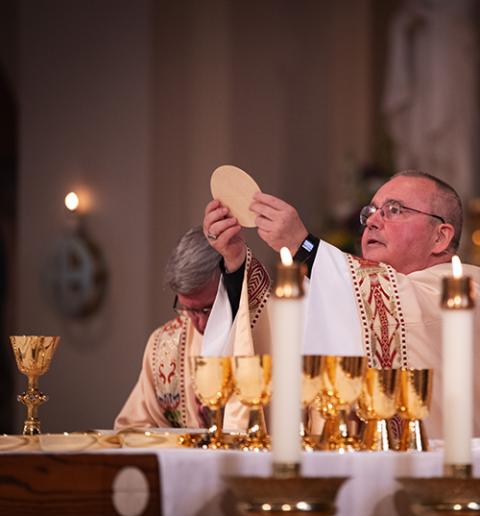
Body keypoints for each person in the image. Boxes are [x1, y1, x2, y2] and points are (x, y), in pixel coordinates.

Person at [202, 170, 480, 438]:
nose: (372, 221)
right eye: (370, 212)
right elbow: (271, 331)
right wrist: (237, 265)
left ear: (440, 236)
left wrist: (303, 246)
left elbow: (400, 300)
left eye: (394, 210)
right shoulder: (339, 296)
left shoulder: (465, 291)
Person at [114, 225, 270, 430]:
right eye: (188, 309)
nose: (201, 323)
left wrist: (226, 418)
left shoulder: (268, 333)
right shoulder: (164, 347)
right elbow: (131, 430)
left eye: (208, 309)